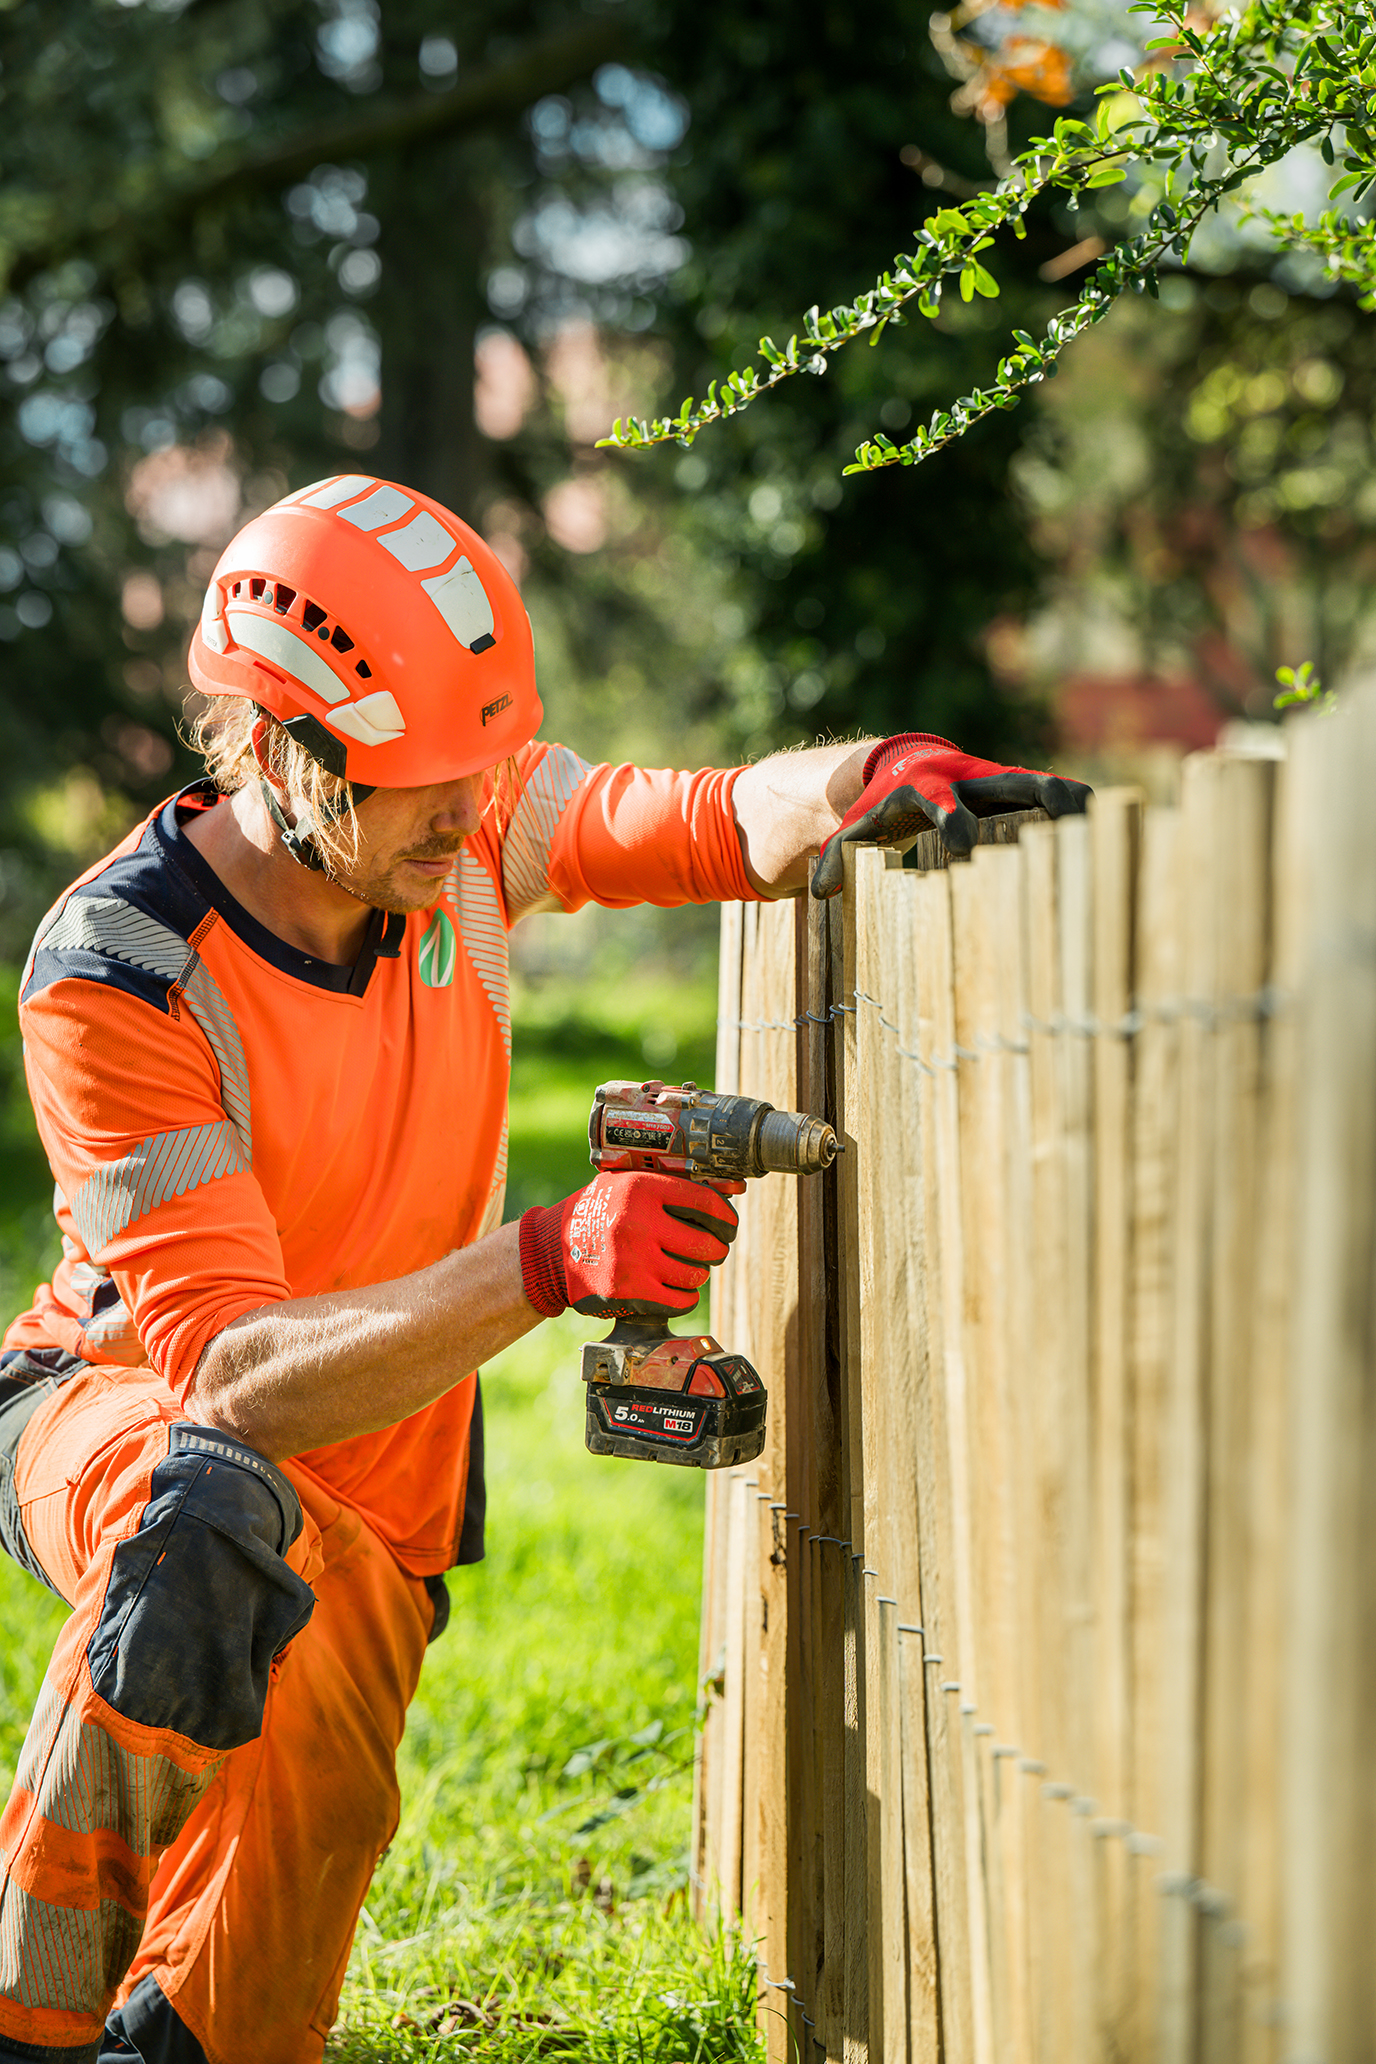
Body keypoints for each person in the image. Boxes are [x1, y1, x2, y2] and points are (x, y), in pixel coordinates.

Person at [0, 475, 1088, 2064]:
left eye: (482, 770)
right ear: (288, 747)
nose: (469, 812)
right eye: (424, 783)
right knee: (212, 1504)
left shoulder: (471, 827)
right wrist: (550, 1254)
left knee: (234, 2005)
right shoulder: (120, 973)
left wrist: (864, 779)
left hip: (387, 1481)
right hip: (112, 1409)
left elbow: (711, 817)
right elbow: (229, 1377)